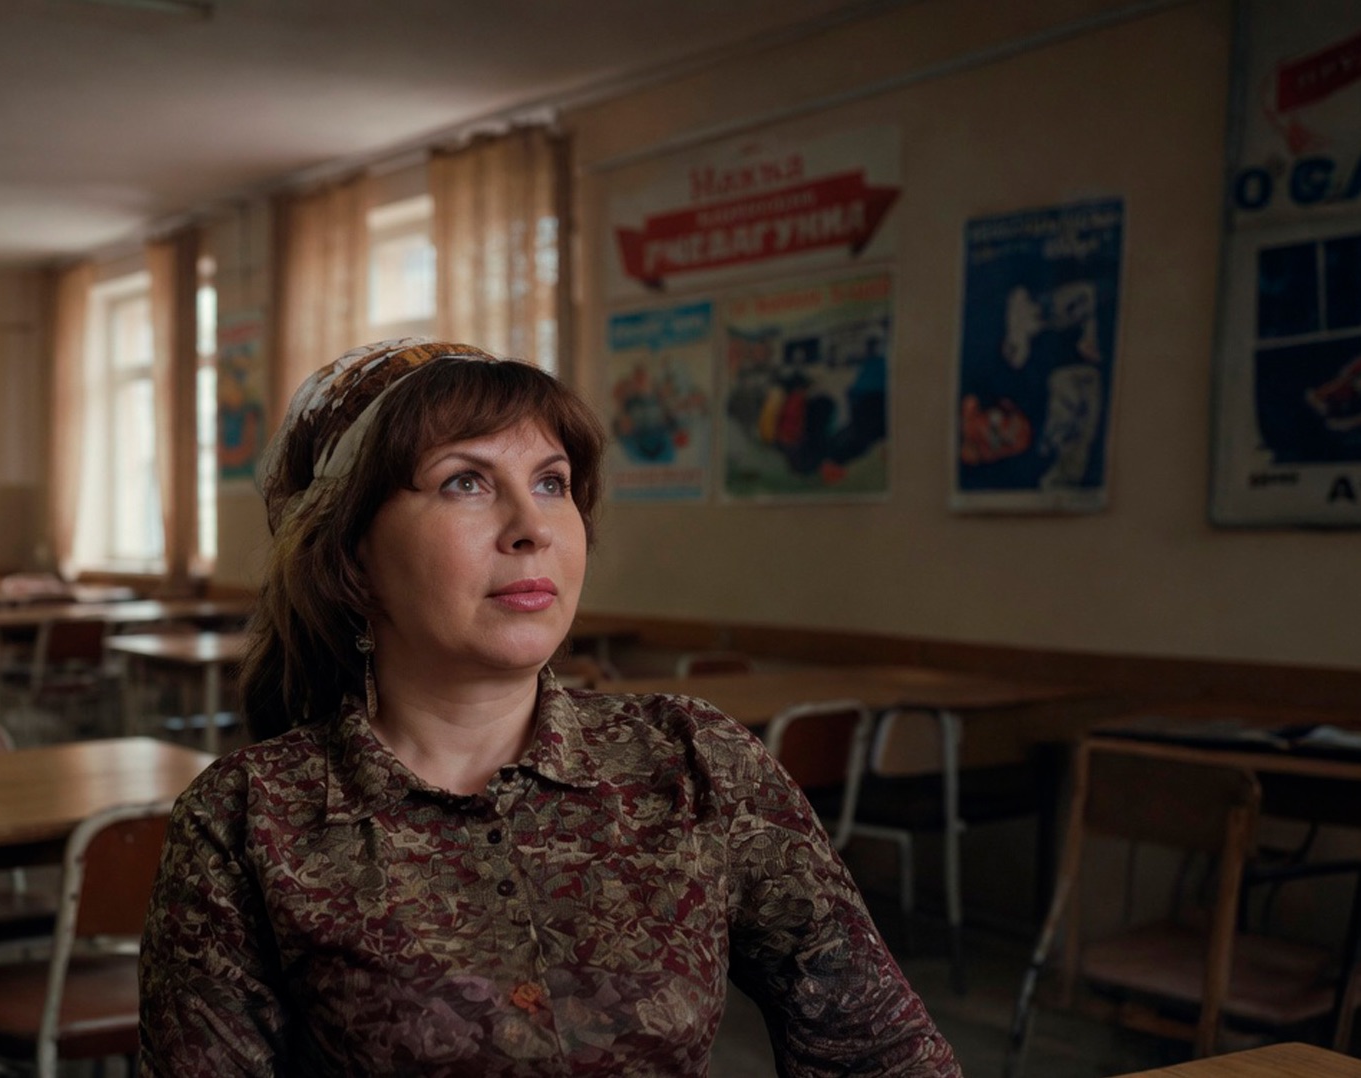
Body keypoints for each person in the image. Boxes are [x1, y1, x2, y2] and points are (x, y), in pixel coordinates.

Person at [140, 338, 958, 1077]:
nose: (532, 526)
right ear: (351, 554)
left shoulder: (693, 761)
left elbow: (881, 1054)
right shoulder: (250, 819)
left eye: (551, 482)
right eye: (465, 482)